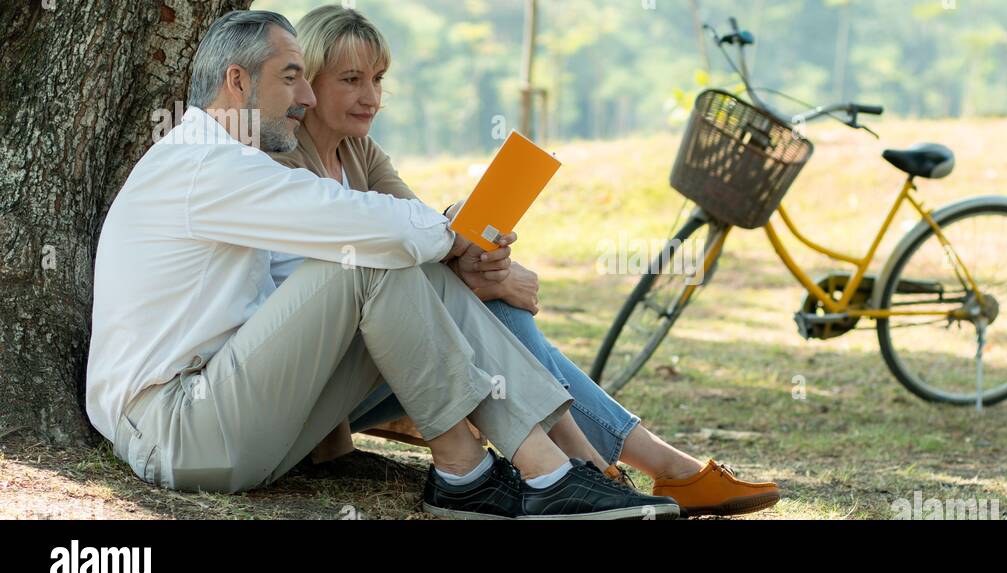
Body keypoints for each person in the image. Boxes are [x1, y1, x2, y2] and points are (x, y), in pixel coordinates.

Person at [86, 10, 678, 520]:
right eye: (291, 78)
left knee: (391, 262)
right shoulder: (204, 165)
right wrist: (452, 233)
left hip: (228, 416)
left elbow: (310, 280)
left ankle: (542, 470)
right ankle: (510, 473)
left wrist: (449, 253)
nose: (308, 97)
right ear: (237, 82)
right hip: (177, 429)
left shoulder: (234, 167)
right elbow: (357, 223)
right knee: (366, 256)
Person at [271, 5, 781, 517]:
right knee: (495, 308)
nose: (372, 97)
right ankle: (624, 467)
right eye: (352, 79)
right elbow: (379, 270)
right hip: (320, 384)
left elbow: (423, 229)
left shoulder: (361, 152)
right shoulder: (283, 161)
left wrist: (479, 255)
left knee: (500, 309)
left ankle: (612, 469)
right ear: (309, 82)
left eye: (378, 79)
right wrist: (483, 275)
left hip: (389, 363)